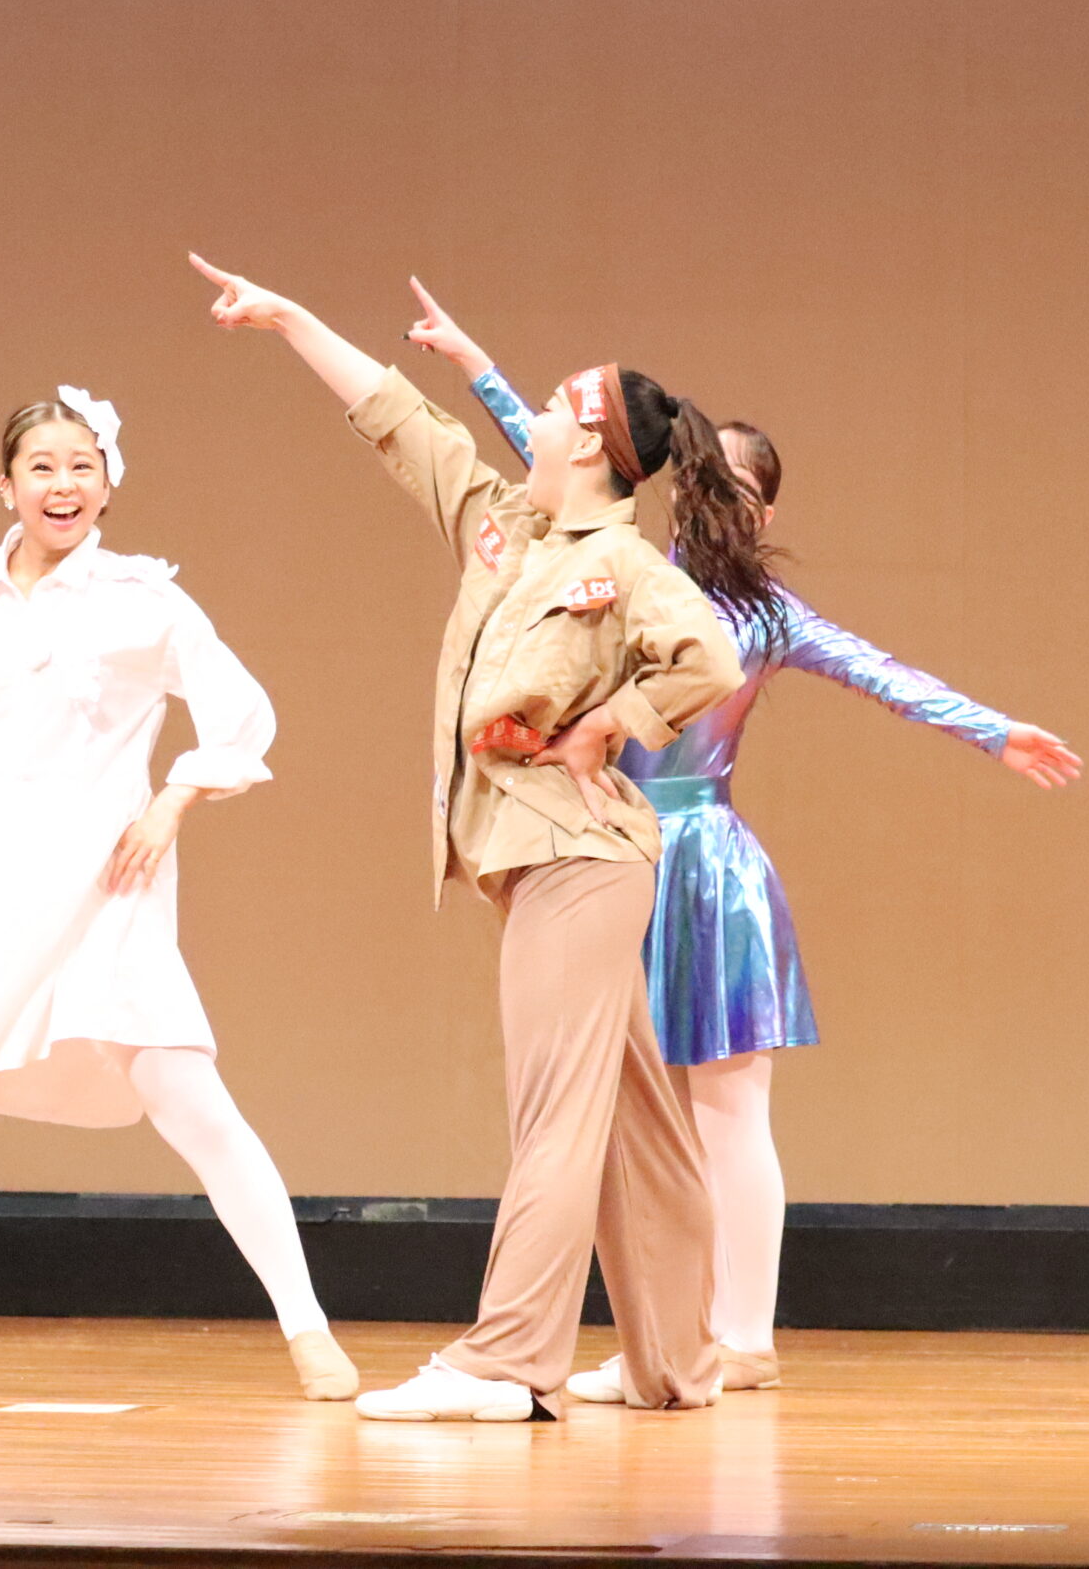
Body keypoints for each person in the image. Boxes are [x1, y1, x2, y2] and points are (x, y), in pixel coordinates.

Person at [404, 279, 1083, 1394]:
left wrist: (992, 729)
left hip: (702, 869)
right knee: (641, 1117)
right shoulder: (628, 570)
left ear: (754, 510)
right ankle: (668, 1339)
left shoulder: (755, 614)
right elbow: (549, 445)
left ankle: (743, 1332)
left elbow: (882, 673)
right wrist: (471, 360)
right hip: (611, 848)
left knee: (723, 1108)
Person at [193, 253, 758, 1422]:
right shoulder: (507, 530)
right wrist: (293, 317)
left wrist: (613, 722)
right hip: (542, 859)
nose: (529, 418)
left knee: (554, 1115)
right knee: (639, 1118)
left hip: (578, 862)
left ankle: (507, 1363)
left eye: (548, 406)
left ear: (589, 443)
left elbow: (707, 654)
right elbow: (403, 422)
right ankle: (674, 1363)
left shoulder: (619, 563)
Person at [0, 387, 360, 1403]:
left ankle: (308, 1329)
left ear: (108, 485)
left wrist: (173, 802)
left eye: (81, 466)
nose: (61, 484)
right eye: (42, 466)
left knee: (192, 1102)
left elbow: (240, 712)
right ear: (6, 486)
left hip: (100, 882)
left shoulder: (140, 601)